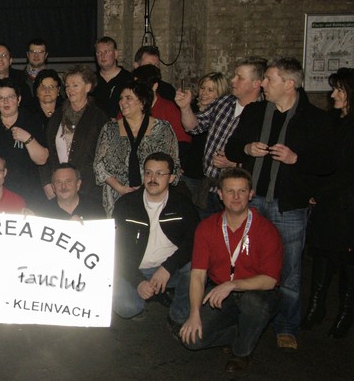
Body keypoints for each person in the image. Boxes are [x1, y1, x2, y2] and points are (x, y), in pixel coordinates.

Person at [225, 57, 335, 349]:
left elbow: (328, 163)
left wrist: (296, 158)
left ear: (289, 84)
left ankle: (286, 326)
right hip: (251, 203)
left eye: (269, 79)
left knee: (289, 270)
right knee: (244, 263)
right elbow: (232, 147)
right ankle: (243, 321)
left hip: (288, 206)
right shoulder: (255, 111)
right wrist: (247, 148)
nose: (263, 84)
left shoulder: (315, 119)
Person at [180, 168, 282, 373]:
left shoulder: (266, 230)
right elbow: (198, 275)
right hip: (221, 293)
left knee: (253, 304)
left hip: (258, 292)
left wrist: (233, 284)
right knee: (191, 340)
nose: (236, 197)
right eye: (230, 191)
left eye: (242, 191)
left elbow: (270, 280)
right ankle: (241, 332)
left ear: (251, 194)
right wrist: (194, 314)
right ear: (220, 194)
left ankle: (242, 352)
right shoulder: (207, 227)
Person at [112, 152, 199, 326]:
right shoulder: (126, 204)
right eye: (148, 173)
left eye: (160, 173)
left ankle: (178, 316)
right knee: (127, 307)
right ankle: (148, 296)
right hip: (134, 268)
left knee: (194, 267)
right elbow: (116, 248)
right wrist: (137, 281)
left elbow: (193, 241)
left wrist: (168, 267)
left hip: (168, 268)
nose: (153, 178)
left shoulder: (182, 204)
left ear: (171, 178)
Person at [175, 57, 267, 217]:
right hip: (210, 186)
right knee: (208, 229)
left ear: (256, 84)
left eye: (240, 78)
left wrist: (235, 163)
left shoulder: (264, 112)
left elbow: (265, 156)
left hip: (237, 191)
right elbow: (194, 127)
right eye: (234, 75)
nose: (233, 80)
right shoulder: (224, 102)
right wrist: (185, 108)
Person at [303, 68, 354, 338]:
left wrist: (320, 193)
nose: (333, 95)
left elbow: (347, 172)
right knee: (322, 253)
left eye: (339, 90)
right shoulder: (333, 122)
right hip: (328, 202)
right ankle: (316, 306)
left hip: (346, 204)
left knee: (347, 260)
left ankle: (345, 313)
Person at [94, 81, 180, 217]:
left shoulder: (162, 129)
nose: (122, 102)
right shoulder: (110, 129)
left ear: (142, 102)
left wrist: (147, 189)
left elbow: (173, 164)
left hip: (153, 195)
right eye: (121, 98)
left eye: (128, 98)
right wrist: (120, 188)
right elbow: (99, 165)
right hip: (116, 196)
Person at [41, 64, 110, 203]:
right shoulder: (57, 115)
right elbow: (47, 150)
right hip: (59, 187)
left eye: (75, 85)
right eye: (67, 86)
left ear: (88, 87)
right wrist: (46, 181)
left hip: (88, 188)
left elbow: (105, 157)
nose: (70, 90)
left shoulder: (99, 117)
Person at [180, 72, 230, 209]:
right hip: (191, 169)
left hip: (211, 173)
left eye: (210, 90)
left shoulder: (223, 114)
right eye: (202, 88)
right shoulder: (191, 109)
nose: (204, 93)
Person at [132, 64, 192, 163]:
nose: (137, 91)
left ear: (155, 86)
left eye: (142, 86)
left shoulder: (168, 109)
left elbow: (183, 142)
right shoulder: (130, 106)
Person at [40, 163, 106, 221]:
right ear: (53, 187)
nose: (63, 187)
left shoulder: (95, 208)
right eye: (59, 182)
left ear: (78, 184)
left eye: (68, 181)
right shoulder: (43, 213)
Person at [92, 36, 133, 118]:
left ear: (116, 54)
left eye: (106, 52)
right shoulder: (90, 79)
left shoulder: (129, 79)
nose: (102, 56)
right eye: (99, 53)